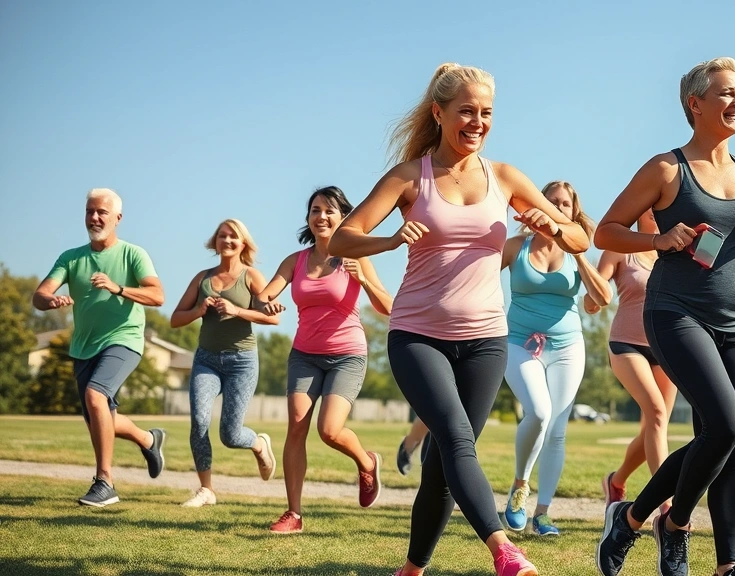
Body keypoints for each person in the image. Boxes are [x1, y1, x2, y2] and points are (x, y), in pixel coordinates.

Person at [330, 62, 589, 576]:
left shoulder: (505, 177)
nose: (478, 122)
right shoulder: (411, 177)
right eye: (467, 111)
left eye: (486, 112)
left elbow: (581, 238)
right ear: (439, 112)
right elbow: (342, 238)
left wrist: (553, 226)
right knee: (455, 438)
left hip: (486, 340)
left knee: (443, 465)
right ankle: (504, 550)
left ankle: (412, 569)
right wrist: (390, 240)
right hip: (417, 335)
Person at [593, 57, 735, 576]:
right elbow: (606, 230)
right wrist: (658, 240)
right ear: (695, 104)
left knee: (730, 443)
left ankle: (718, 560)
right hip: (677, 313)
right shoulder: (667, 169)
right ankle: (665, 524)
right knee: (728, 424)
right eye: (727, 93)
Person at [257, 186, 393, 534]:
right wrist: (266, 303)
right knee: (296, 426)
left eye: (329, 210)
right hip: (304, 355)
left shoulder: (356, 257)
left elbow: (388, 307)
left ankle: (366, 461)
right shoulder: (296, 261)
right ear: (308, 218)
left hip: (347, 355)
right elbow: (264, 295)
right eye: (315, 210)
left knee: (329, 430)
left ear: (343, 217)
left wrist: (363, 280)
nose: (321, 216)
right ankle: (294, 514)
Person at [32, 188, 167, 507]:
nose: (94, 217)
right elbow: (39, 295)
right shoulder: (71, 258)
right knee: (99, 418)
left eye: (102, 212)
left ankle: (105, 482)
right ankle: (149, 439)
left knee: (96, 396)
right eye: (90, 211)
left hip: (124, 339)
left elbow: (157, 296)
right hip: (84, 347)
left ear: (118, 218)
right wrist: (50, 300)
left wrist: (117, 287)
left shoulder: (133, 254)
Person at [500, 181, 611, 537]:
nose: (558, 207)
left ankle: (543, 513)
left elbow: (603, 298)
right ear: (538, 205)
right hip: (519, 343)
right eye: (552, 201)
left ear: (573, 212)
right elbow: (478, 278)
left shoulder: (577, 252)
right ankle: (520, 486)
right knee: (539, 413)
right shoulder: (516, 247)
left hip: (567, 348)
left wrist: (575, 250)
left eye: (565, 204)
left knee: (557, 431)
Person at [170, 218, 280, 507]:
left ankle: (259, 443)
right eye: (222, 236)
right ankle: (206, 490)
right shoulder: (202, 279)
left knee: (230, 435)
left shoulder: (251, 276)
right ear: (215, 242)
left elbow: (273, 317)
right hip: (207, 360)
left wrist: (236, 310)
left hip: (242, 362)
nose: (227, 240)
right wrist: (199, 309)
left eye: (233, 236)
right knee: (199, 422)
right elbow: (175, 319)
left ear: (243, 243)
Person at [583, 209, 676, 515]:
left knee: (655, 425)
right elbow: (598, 291)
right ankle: (666, 508)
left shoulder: (675, 252)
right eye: (653, 208)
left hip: (666, 347)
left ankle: (616, 480)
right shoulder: (620, 250)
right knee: (657, 414)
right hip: (627, 344)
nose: (660, 212)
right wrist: (591, 301)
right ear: (640, 214)